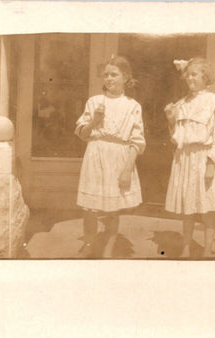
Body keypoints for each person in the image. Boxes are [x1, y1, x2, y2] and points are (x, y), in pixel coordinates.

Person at [75, 55, 145, 258]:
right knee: (90, 208)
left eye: (114, 74)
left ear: (125, 77)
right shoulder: (95, 101)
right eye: (106, 75)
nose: (109, 79)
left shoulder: (133, 106)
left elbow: (137, 141)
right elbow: (83, 134)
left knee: (114, 208)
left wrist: (127, 170)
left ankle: (108, 247)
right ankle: (89, 244)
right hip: (96, 153)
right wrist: (94, 121)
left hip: (119, 157)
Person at [164, 57, 215, 258]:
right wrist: (171, 120)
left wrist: (211, 163)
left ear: (205, 76)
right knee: (188, 208)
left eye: (194, 74)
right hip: (185, 159)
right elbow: (176, 138)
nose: (190, 78)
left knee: (208, 208)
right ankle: (186, 248)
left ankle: (207, 249)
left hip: (204, 159)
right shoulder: (182, 104)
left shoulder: (214, 103)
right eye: (188, 75)